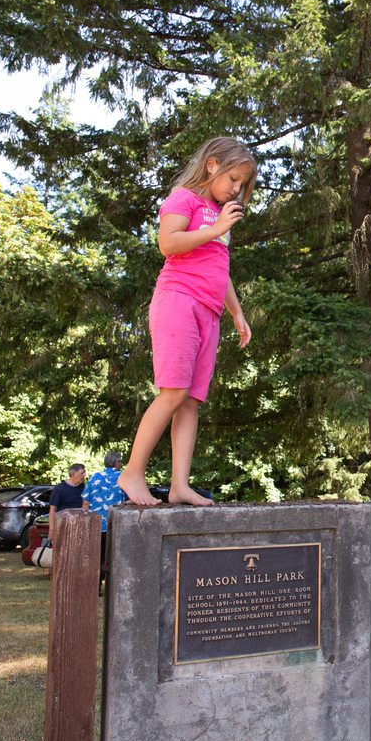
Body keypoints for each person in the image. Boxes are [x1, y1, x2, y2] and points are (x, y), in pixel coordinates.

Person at [116, 137, 257, 508]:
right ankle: (132, 471)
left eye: (242, 184)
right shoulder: (185, 198)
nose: (236, 189)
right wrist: (215, 228)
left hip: (209, 312)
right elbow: (169, 243)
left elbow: (219, 266)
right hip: (178, 302)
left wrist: (237, 312)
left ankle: (180, 485)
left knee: (191, 401)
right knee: (173, 392)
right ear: (212, 165)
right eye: (233, 179)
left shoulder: (220, 216)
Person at [83, 451, 124, 537]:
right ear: (116, 462)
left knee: (97, 550)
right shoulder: (123, 477)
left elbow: (85, 502)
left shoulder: (94, 477)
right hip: (117, 524)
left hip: (96, 525)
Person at [48, 463, 87, 541]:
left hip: (78, 527)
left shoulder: (83, 488)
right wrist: (52, 530)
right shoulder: (59, 489)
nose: (84, 475)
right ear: (73, 474)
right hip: (62, 526)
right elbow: (52, 510)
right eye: (82, 473)